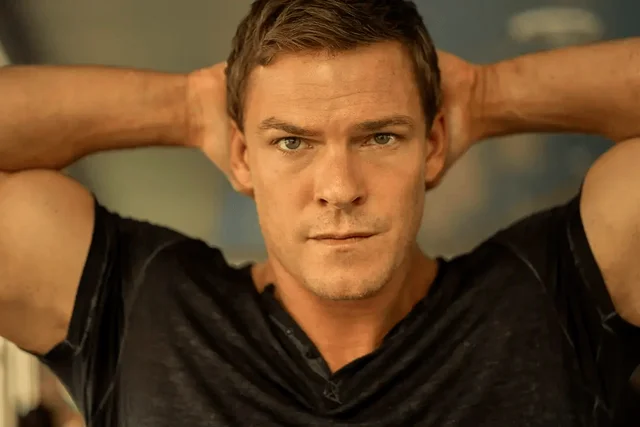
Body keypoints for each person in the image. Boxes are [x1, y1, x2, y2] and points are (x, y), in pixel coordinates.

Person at [0, 0, 638, 425]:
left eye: (380, 136)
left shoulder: (550, 298)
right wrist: (188, 107)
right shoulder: (142, 306)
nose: (339, 188)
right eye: (292, 142)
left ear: (433, 145)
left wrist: (486, 94)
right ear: (242, 157)